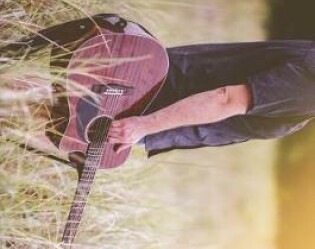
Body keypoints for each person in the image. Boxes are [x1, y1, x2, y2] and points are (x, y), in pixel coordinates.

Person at [107, 40, 315, 157]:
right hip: (148, 101)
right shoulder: (309, 88)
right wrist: (143, 126)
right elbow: (226, 99)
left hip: (155, 87)